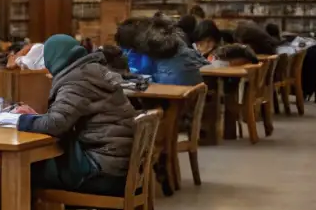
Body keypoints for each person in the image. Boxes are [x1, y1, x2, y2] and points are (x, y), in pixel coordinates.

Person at [16, 34, 136, 195]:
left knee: (25, 168)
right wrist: (37, 117)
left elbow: (56, 124)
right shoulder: (93, 70)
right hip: (116, 164)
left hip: (101, 170)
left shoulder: (76, 80)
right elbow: (66, 115)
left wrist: (20, 120)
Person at [140, 17, 207, 86]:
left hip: (171, 91)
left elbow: (145, 71)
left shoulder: (154, 49)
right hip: (198, 90)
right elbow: (206, 63)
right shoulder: (183, 47)